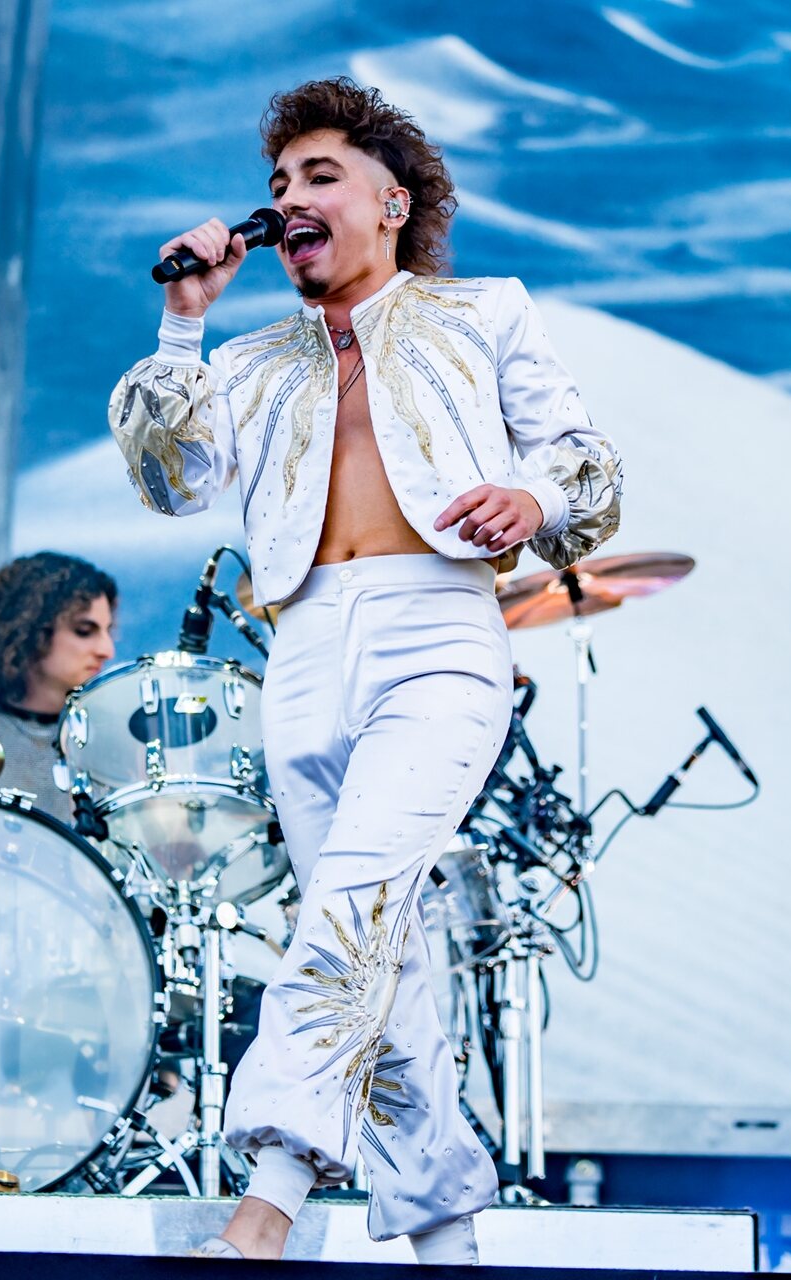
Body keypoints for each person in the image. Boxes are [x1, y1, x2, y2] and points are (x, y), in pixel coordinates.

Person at [107, 78, 621, 1264]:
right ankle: (449, 1242)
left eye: (320, 177)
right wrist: (183, 323)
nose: (291, 197)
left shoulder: (482, 313)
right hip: (303, 647)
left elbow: (587, 462)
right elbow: (170, 481)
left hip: (436, 634)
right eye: (278, 183)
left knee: (352, 903)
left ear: (392, 204)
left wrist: (531, 496)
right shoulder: (248, 360)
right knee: (384, 951)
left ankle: (267, 1204)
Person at [0, 552, 118, 824]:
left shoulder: (114, 738)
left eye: (109, 630)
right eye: (85, 631)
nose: (107, 650)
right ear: (31, 631)